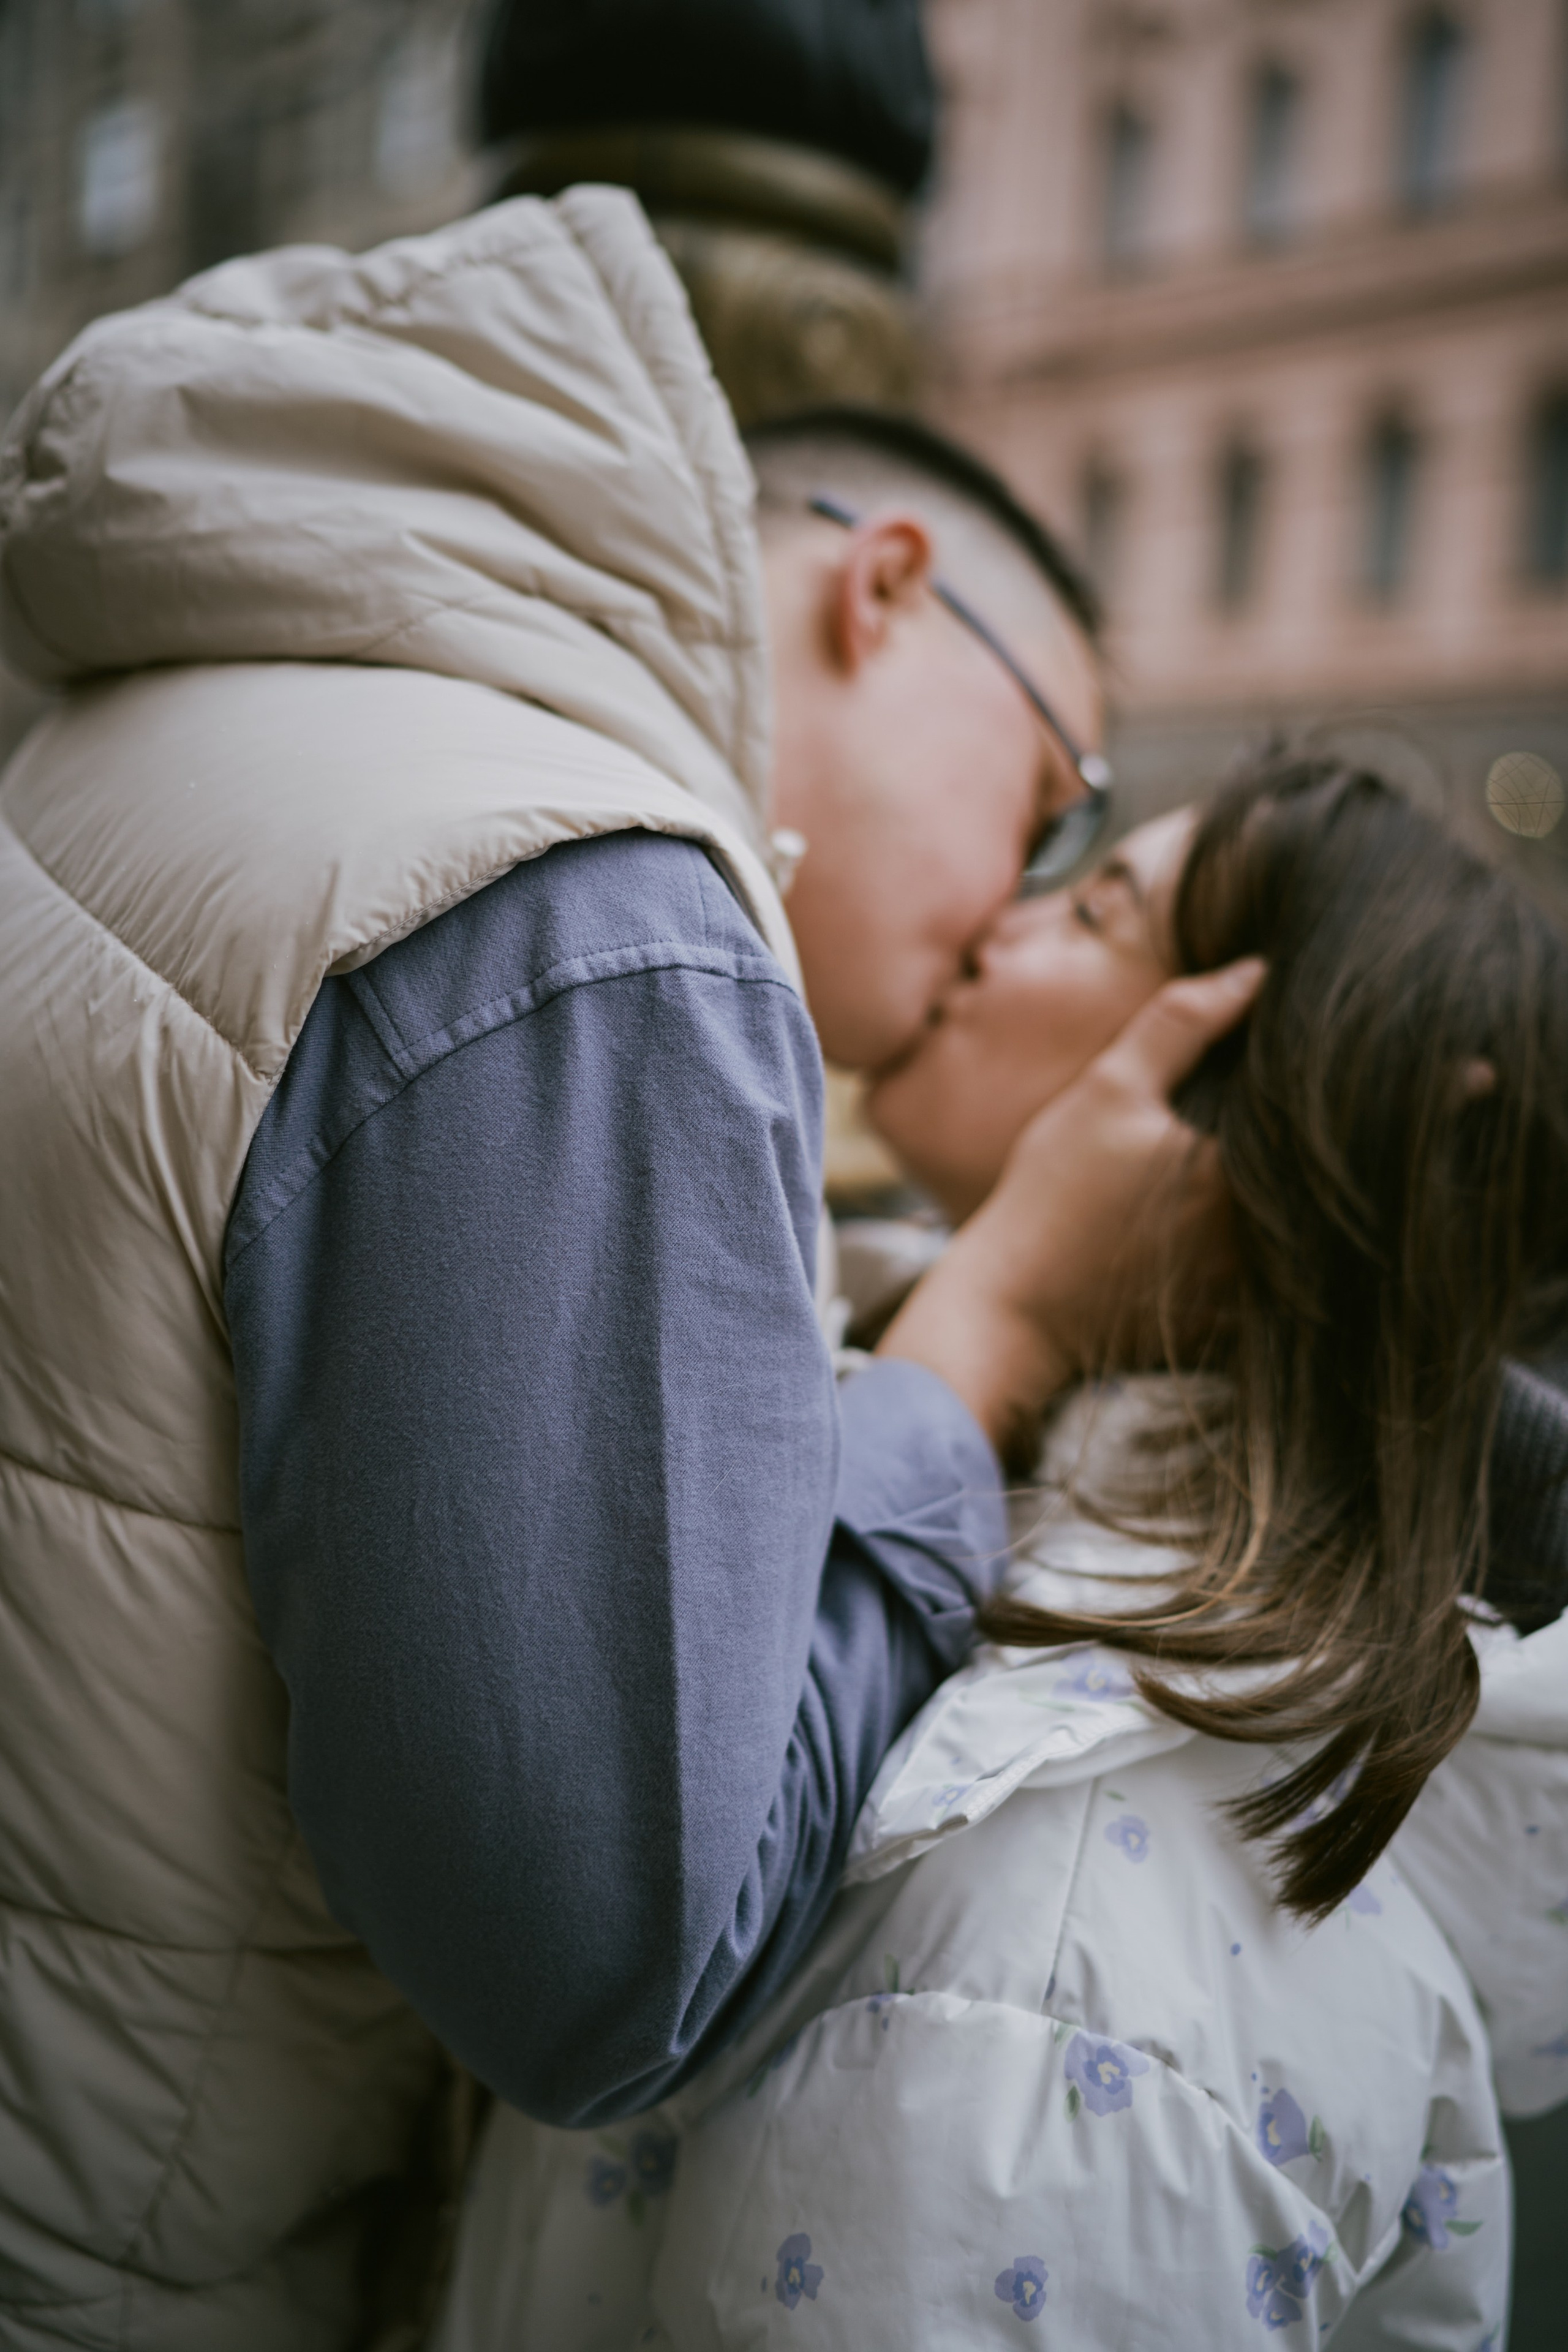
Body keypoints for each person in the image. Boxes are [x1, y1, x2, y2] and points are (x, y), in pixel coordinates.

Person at [0, 191, 1259, 2346]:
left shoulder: (230, 712)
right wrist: (994, 1331)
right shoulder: (595, 925)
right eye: (1055, 808)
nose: (1002, 916)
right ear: (888, 595)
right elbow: (606, 1972)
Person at [432, 757, 1568, 2349]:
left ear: (1243, 1109)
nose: (992, 926)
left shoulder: (1053, 1957)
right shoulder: (984, 1593)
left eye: (1096, 906)